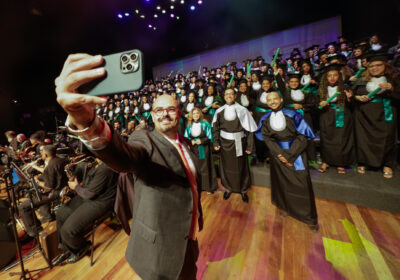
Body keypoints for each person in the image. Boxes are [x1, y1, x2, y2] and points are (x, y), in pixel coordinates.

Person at [55, 53, 203, 280]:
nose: (165, 114)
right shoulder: (145, 139)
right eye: (159, 110)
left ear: (179, 113)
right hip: (159, 250)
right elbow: (124, 156)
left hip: (188, 238)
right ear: (152, 116)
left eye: (170, 109)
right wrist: (86, 122)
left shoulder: (185, 144)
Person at [255, 92, 318, 231]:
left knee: (302, 184)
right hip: (277, 155)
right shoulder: (265, 119)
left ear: (281, 99)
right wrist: (279, 154)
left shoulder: (293, 114)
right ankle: (285, 207)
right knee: (281, 183)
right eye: (269, 100)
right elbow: (267, 139)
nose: (272, 102)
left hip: (297, 154)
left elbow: (303, 136)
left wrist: (289, 155)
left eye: (274, 99)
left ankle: (309, 217)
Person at [53, 157, 118, 265]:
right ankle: (67, 249)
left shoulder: (105, 168)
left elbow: (89, 194)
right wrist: (80, 184)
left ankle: (81, 248)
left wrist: (76, 187)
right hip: (89, 196)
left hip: (99, 202)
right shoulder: (96, 162)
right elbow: (93, 184)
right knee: (60, 213)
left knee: (68, 230)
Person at [352, 51, 400, 178]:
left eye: (378, 65)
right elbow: (351, 95)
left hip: (385, 113)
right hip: (364, 115)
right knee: (364, 139)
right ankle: (364, 162)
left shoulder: (394, 79)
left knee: (388, 138)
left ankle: (387, 164)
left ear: (385, 65)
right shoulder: (362, 79)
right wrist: (357, 97)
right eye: (371, 66)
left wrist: (391, 89)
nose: (374, 68)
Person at [212, 89, 257, 202]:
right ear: (224, 96)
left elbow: (250, 129)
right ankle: (228, 188)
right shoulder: (219, 111)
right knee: (226, 166)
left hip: (239, 142)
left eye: (231, 94)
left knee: (240, 166)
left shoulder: (242, 110)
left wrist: (250, 146)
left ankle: (242, 189)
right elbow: (215, 128)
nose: (228, 96)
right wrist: (216, 142)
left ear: (235, 96)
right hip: (224, 143)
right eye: (226, 94)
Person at [18, 145, 68, 236]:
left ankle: (36, 231)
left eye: (41, 153)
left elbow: (49, 187)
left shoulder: (51, 166)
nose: (40, 154)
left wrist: (36, 182)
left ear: (45, 154)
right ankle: (47, 216)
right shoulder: (60, 160)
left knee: (23, 207)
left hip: (56, 192)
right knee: (38, 194)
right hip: (64, 187)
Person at [317, 64, 356, 174]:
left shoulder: (345, 87)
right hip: (326, 115)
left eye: (335, 75)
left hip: (342, 114)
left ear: (339, 76)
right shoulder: (321, 90)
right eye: (329, 75)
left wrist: (350, 98)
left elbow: (353, 106)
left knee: (341, 139)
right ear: (326, 77)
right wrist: (320, 104)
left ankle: (340, 163)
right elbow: (316, 106)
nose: (332, 78)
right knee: (326, 139)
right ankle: (326, 161)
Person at [184, 108, 217, 193]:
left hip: (204, 148)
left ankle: (208, 188)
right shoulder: (189, 125)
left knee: (205, 167)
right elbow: (186, 137)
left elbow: (210, 137)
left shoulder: (205, 124)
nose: (195, 115)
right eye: (194, 113)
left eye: (197, 113)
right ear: (191, 115)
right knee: (195, 167)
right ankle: (197, 187)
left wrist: (201, 141)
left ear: (200, 114)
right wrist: (190, 141)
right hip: (193, 149)